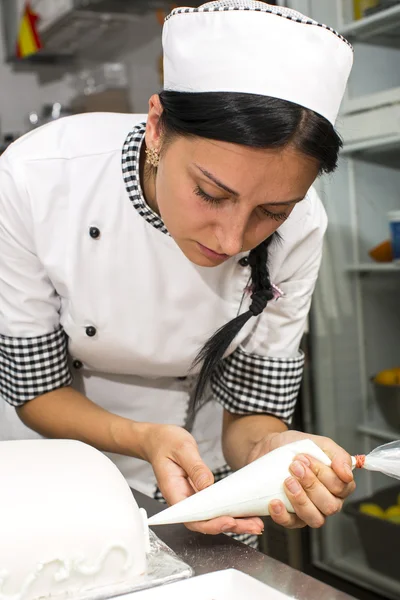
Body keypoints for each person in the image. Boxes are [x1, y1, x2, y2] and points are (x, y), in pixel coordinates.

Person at [0, 0, 354, 548]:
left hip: (200, 471)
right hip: (55, 464)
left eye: (272, 212)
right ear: (158, 127)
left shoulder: (305, 224)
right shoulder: (36, 178)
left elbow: (252, 414)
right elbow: (35, 389)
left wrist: (272, 453)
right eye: (211, 194)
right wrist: (144, 439)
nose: (231, 240)